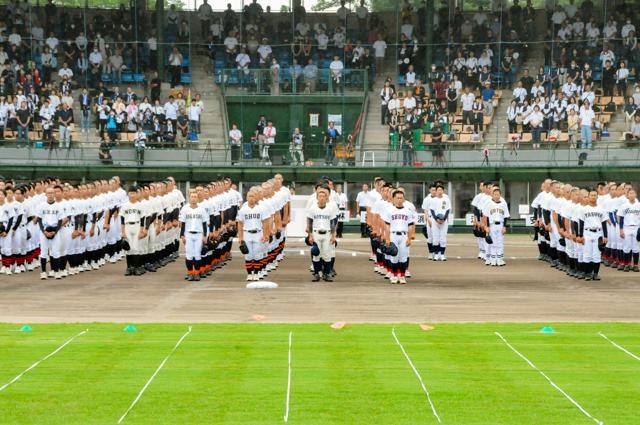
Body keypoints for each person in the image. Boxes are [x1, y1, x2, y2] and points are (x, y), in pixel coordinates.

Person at [306, 186, 338, 282]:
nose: (322, 198)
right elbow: (310, 221)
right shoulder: (313, 208)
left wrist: (333, 235)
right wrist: (310, 235)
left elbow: (333, 223)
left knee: (327, 254)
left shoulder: (330, 208)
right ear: (317, 197)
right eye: (320, 196)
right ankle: (317, 273)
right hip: (316, 233)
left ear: (326, 198)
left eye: (323, 196)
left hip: (327, 233)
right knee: (316, 254)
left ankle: (327, 274)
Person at [236, 186, 269, 281]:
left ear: (256, 198)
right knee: (248, 255)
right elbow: (240, 224)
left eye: (253, 196)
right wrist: (240, 237)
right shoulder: (243, 209)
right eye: (249, 196)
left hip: (258, 233)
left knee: (257, 254)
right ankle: (250, 273)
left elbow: (265, 222)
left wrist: (265, 235)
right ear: (246, 198)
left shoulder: (261, 208)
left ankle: (257, 273)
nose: (251, 198)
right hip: (247, 233)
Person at [577, 188, 609, 281]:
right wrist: (580, 236)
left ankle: (595, 274)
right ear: (588, 196)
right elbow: (581, 223)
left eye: (595, 195)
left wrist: (606, 236)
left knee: (597, 254)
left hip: (598, 233)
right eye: (591, 195)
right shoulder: (583, 209)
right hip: (587, 232)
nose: (593, 197)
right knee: (587, 254)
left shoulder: (601, 209)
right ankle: (587, 274)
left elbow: (604, 223)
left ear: (597, 197)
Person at [179, 191, 208, 281]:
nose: (194, 198)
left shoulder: (201, 209)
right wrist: (182, 235)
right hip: (188, 234)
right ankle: (190, 273)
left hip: (199, 234)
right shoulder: (185, 208)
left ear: (197, 198)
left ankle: (196, 273)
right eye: (192, 197)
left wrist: (205, 236)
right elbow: (182, 223)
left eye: (195, 197)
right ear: (189, 198)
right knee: (189, 255)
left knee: (197, 254)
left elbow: (204, 223)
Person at [482, 187, 510, 266]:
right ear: (493, 195)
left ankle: (500, 259)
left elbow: (505, 216)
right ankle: (493, 259)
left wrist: (504, 227)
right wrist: (487, 227)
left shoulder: (503, 204)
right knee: (493, 243)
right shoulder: (489, 204)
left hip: (500, 225)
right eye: (495, 194)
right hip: (492, 225)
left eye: (498, 194)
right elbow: (487, 216)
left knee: (500, 243)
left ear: (500, 195)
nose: (496, 196)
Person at [618, 188, 639, 272]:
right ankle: (626, 264)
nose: (631, 195)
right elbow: (621, 218)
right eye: (630, 193)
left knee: (636, 247)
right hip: (626, 227)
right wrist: (621, 229)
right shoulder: (624, 205)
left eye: (633, 193)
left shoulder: (638, 205)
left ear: (635, 195)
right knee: (626, 247)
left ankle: (636, 265)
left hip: (637, 227)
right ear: (627, 195)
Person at [428, 184, 450, 261]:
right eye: (438, 190)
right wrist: (436, 219)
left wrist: (444, 219)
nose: (440, 191)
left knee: (443, 238)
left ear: (443, 191)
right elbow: (432, 210)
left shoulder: (446, 199)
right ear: (436, 191)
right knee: (435, 238)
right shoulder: (433, 200)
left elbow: (447, 210)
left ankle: (442, 254)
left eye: (441, 190)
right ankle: (436, 254)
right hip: (435, 221)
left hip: (444, 221)